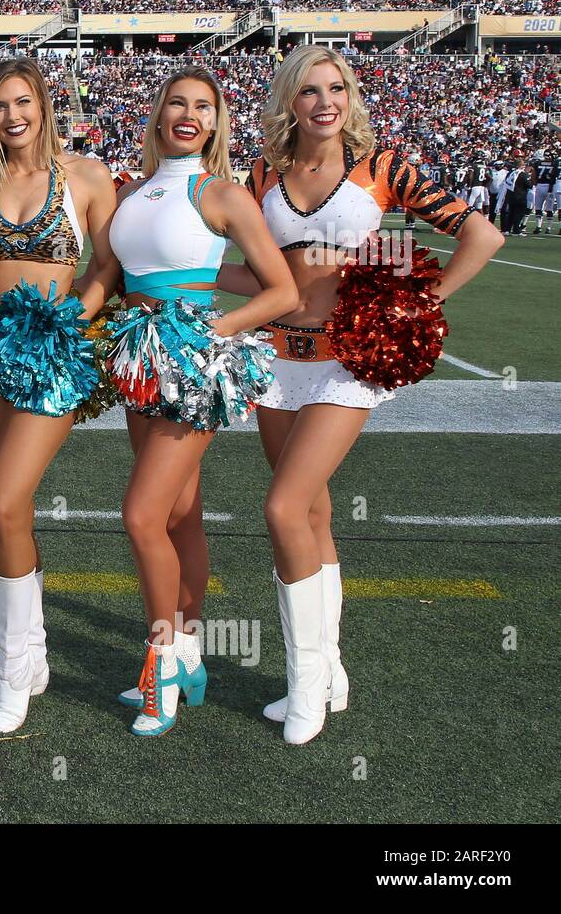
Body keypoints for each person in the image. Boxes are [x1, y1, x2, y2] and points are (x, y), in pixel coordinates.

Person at [235, 46, 501, 745]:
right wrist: (178, 283)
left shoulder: (384, 169)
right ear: (289, 101)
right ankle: (330, 672)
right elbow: (263, 277)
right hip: (275, 361)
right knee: (313, 514)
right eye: (311, 90)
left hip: (347, 362)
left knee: (283, 508)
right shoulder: (263, 173)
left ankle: (302, 687)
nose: (325, 101)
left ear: (350, 97)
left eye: (337, 88)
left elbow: (483, 233)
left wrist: (423, 301)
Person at [80, 66, 297, 738]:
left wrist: (212, 332)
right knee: (179, 516)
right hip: (137, 359)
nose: (189, 114)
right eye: (178, 102)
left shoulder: (223, 195)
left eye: (203, 107)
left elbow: (281, 291)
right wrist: (61, 325)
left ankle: (163, 664)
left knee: (141, 515)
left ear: (216, 122)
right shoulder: (131, 192)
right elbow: (106, 275)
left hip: (191, 366)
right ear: (157, 112)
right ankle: (194, 654)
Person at [0, 58, 117, 733]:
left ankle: (12, 670)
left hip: (50, 356)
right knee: (3, 516)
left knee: (5, 499)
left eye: (23, 102)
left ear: (45, 106)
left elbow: (108, 264)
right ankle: (35, 654)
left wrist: (77, 316)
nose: (13, 115)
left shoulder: (86, 176)